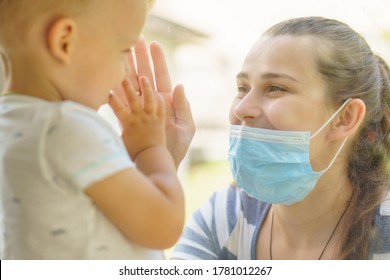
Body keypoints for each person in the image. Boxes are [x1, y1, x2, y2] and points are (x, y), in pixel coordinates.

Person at [172, 16, 390, 260]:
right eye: (242, 88)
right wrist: (156, 168)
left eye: (275, 88)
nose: (241, 109)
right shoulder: (223, 218)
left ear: (345, 117)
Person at [0, 0, 195, 259]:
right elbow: (164, 226)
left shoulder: (11, 121)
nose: (125, 73)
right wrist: (150, 146)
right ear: (64, 41)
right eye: (123, 51)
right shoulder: (66, 126)